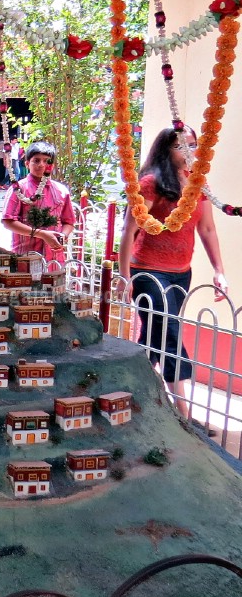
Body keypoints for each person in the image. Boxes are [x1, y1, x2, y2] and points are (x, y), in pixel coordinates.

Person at [118, 127, 228, 422]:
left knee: (156, 335)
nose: (189, 152)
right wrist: (125, 276)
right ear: (166, 150)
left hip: (181, 273)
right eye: (182, 146)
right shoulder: (151, 183)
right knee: (169, 335)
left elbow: (206, 228)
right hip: (150, 272)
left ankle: (128, 387)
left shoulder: (196, 183)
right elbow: (130, 230)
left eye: (193, 145)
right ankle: (184, 416)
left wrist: (220, 271)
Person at [1, 140, 76, 264]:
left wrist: (63, 236)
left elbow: (69, 222)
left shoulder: (62, 191)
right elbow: (8, 222)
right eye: (36, 160)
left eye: (47, 161)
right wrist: (42, 234)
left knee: (53, 283)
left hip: (54, 258)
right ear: (26, 163)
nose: (41, 165)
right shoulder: (19, 189)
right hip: (25, 256)